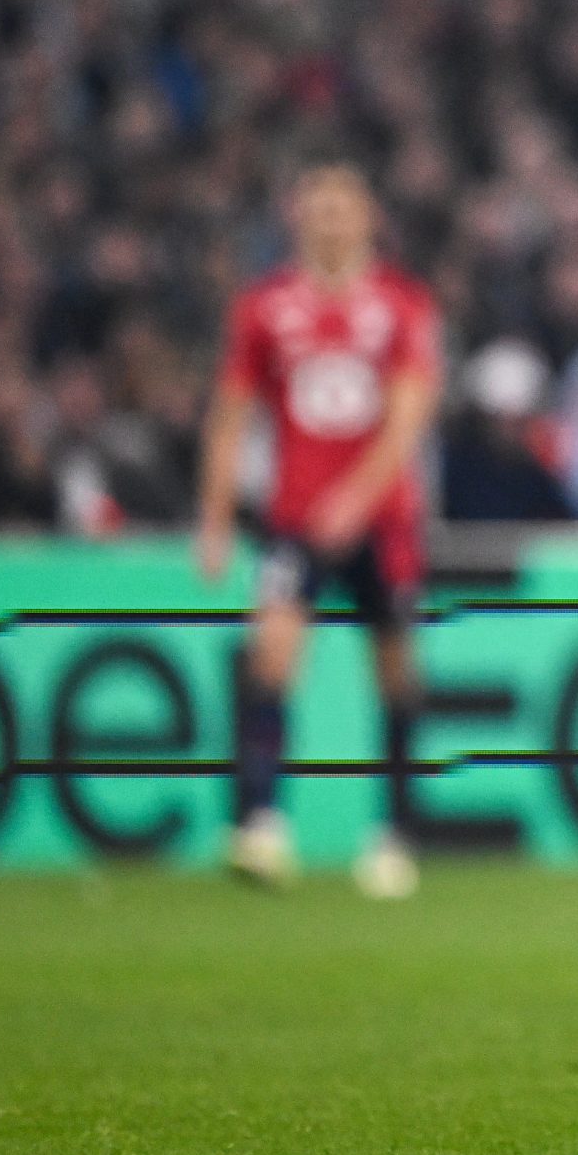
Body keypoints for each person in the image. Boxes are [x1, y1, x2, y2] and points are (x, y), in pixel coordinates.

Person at [196, 164, 442, 899]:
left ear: (369, 218)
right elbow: (230, 416)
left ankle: (396, 832)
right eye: (319, 208)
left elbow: (409, 413)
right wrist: (211, 518)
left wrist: (359, 494)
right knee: (271, 655)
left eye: (344, 208)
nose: (331, 221)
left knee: (395, 670)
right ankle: (261, 825)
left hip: (383, 518)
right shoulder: (264, 306)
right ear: (296, 217)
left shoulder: (402, 303)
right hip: (295, 516)